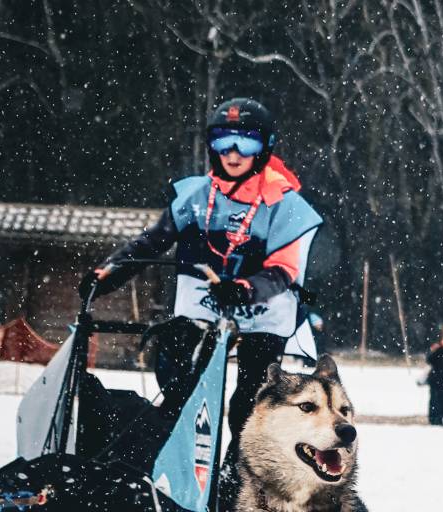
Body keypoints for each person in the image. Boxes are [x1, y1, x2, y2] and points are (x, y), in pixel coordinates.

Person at [79, 97, 322, 506]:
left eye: (245, 144)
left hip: (263, 311)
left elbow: (283, 270)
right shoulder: (196, 195)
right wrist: (109, 274)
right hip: (204, 307)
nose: (232, 154)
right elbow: (151, 242)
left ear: (264, 148)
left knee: (248, 401)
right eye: (223, 141)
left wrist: (245, 289)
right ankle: (172, 463)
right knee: (180, 385)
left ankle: (236, 481)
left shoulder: (283, 202)